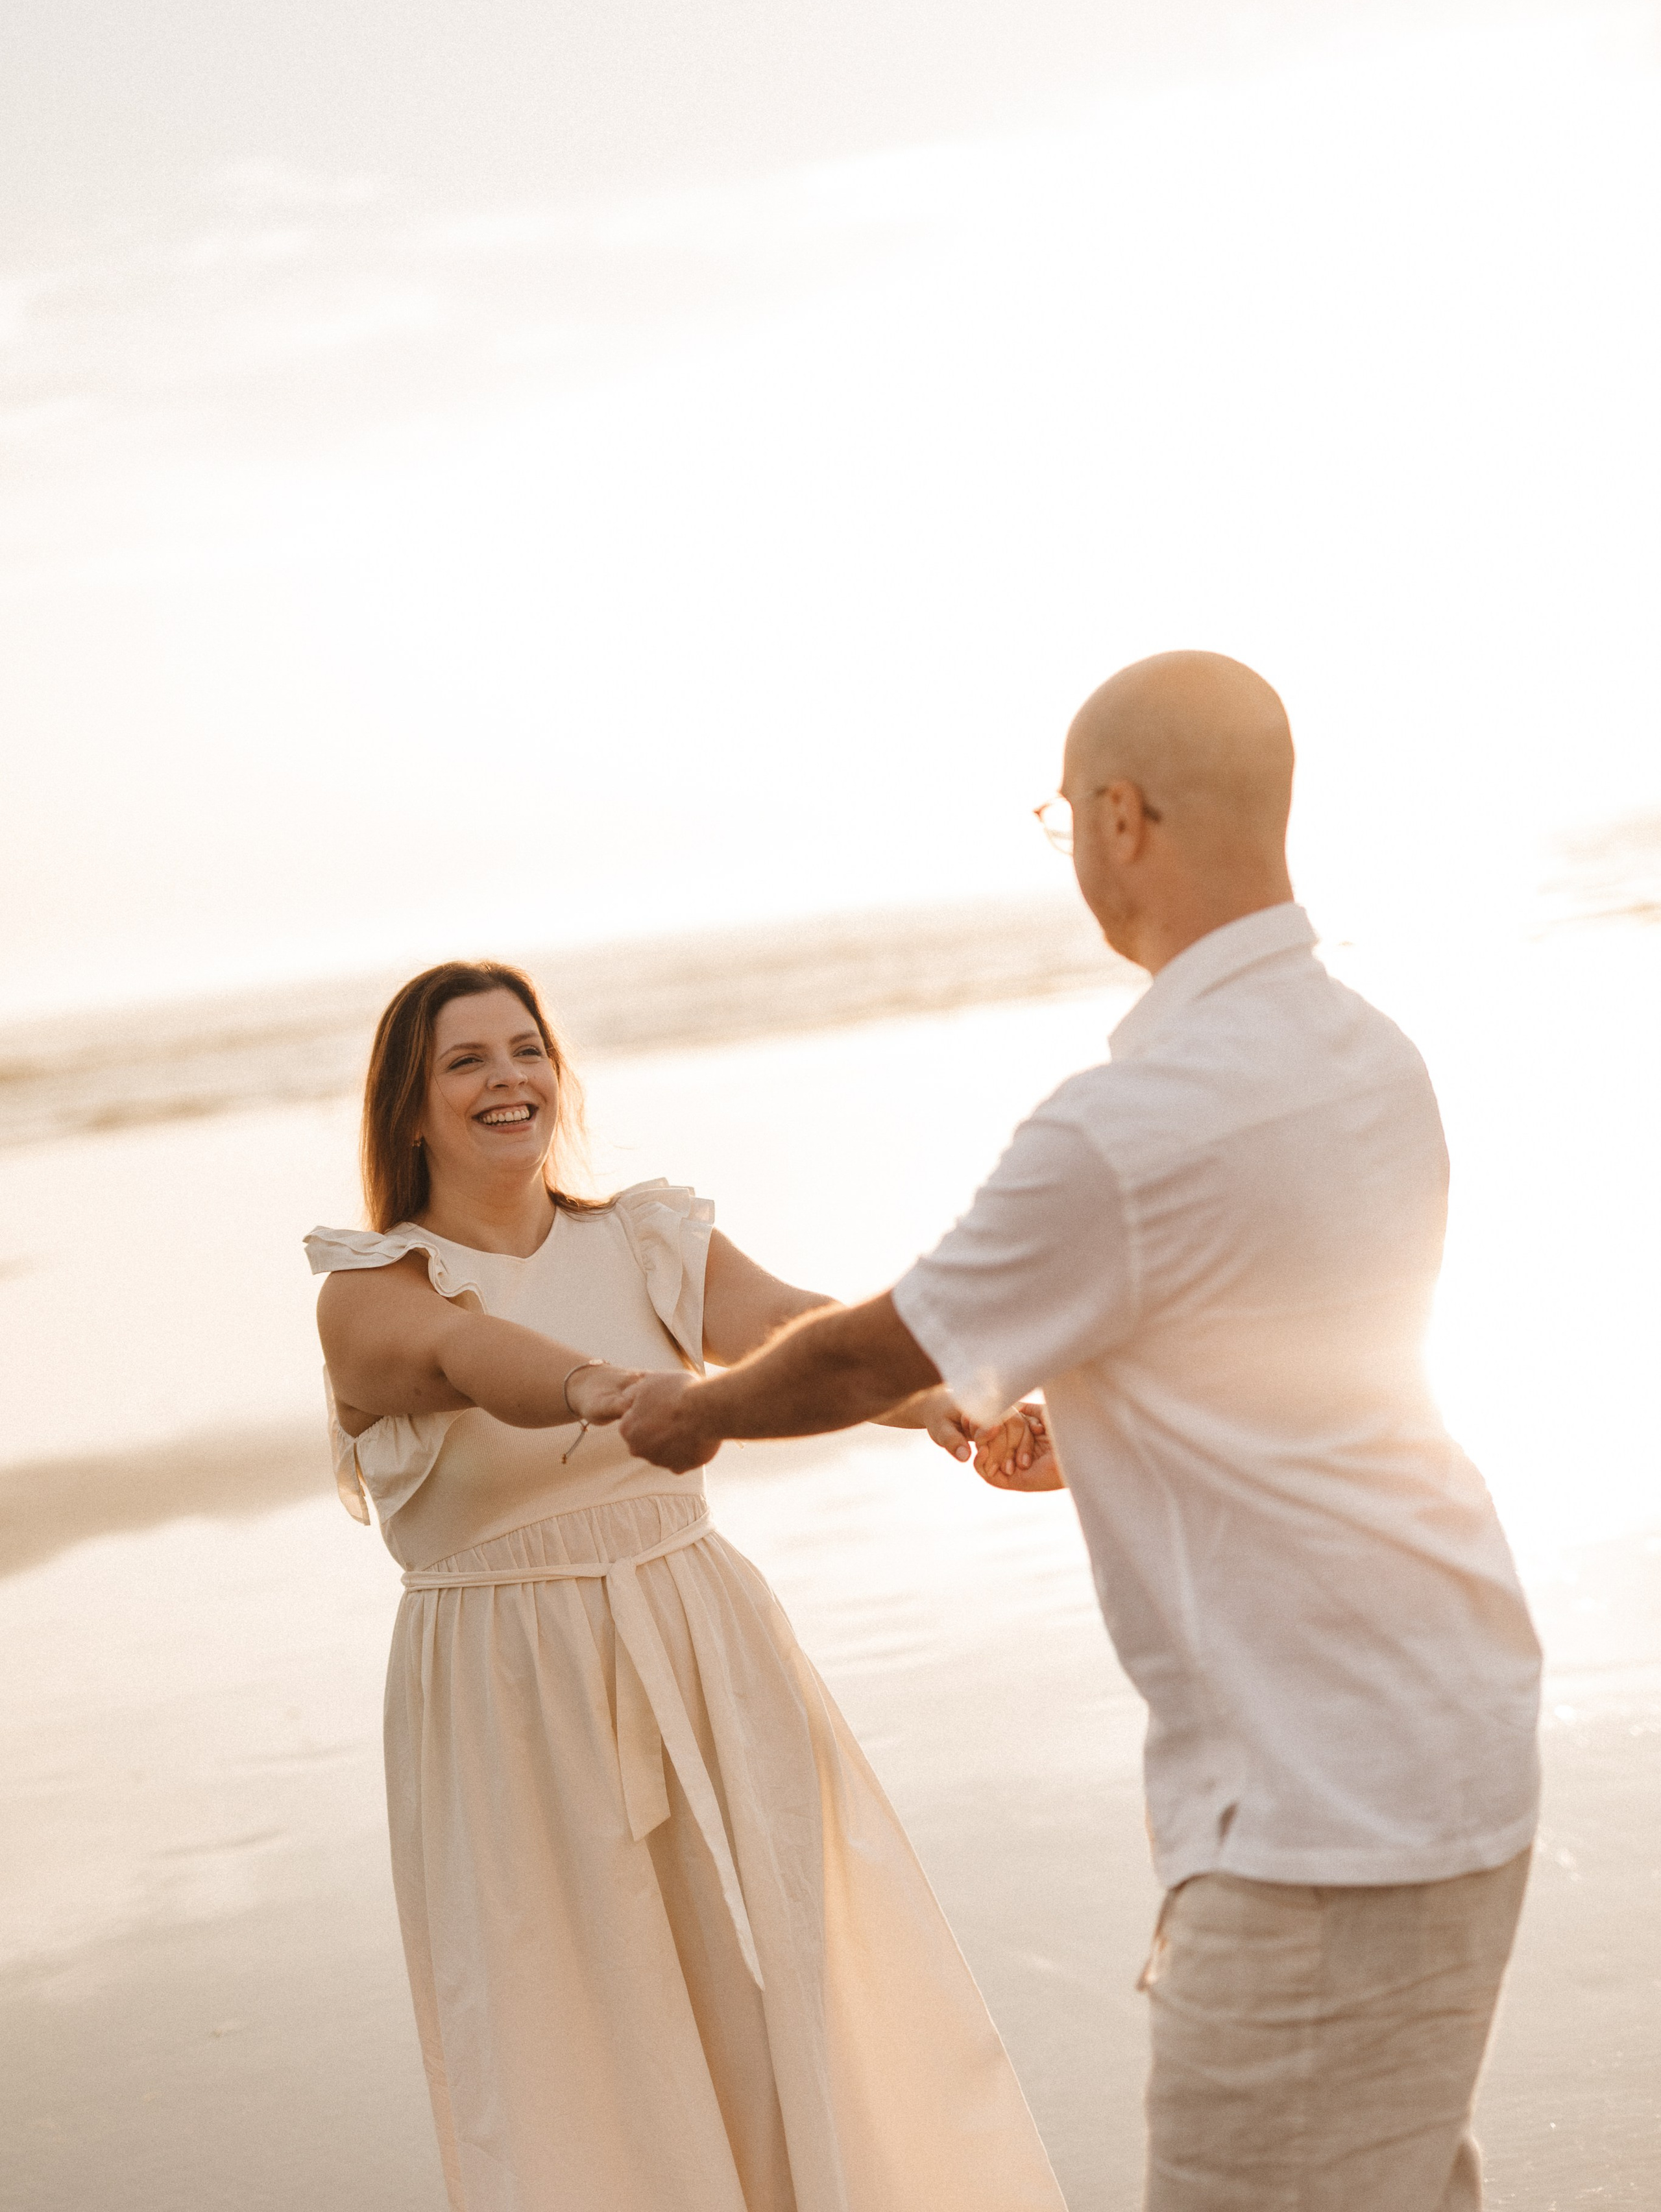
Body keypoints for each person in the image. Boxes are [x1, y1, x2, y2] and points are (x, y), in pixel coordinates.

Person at [622, 651, 1543, 2212]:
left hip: (1319, 1819)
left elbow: (870, 1352)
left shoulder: (1127, 1127)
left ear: (1121, 817)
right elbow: (1281, 1369)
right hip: (1455, 1743)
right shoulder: (1368, 1053)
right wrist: (1115, 1435)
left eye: (1064, 815)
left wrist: (694, 1409)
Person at [303, 959, 1065, 2212]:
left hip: (703, 1644)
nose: (510, 1079)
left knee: (789, 1994)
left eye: (527, 1049)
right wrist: (604, 1389)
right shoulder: (369, 1289)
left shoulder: (646, 1237)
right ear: (410, 1107)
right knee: (575, 2041)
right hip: (511, 1693)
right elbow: (465, 1353)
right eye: (468, 1061)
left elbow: (793, 1327)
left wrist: (949, 1400)